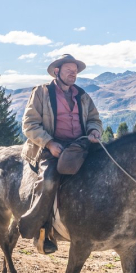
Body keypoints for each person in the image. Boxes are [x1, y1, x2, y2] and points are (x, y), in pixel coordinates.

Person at [19, 53, 103, 254]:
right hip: (51, 147)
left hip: (81, 145)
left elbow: (94, 118)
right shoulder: (41, 93)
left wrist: (94, 130)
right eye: (69, 70)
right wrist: (49, 143)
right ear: (57, 72)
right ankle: (41, 231)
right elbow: (29, 124)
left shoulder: (82, 95)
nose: (73, 74)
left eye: (75, 71)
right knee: (48, 181)